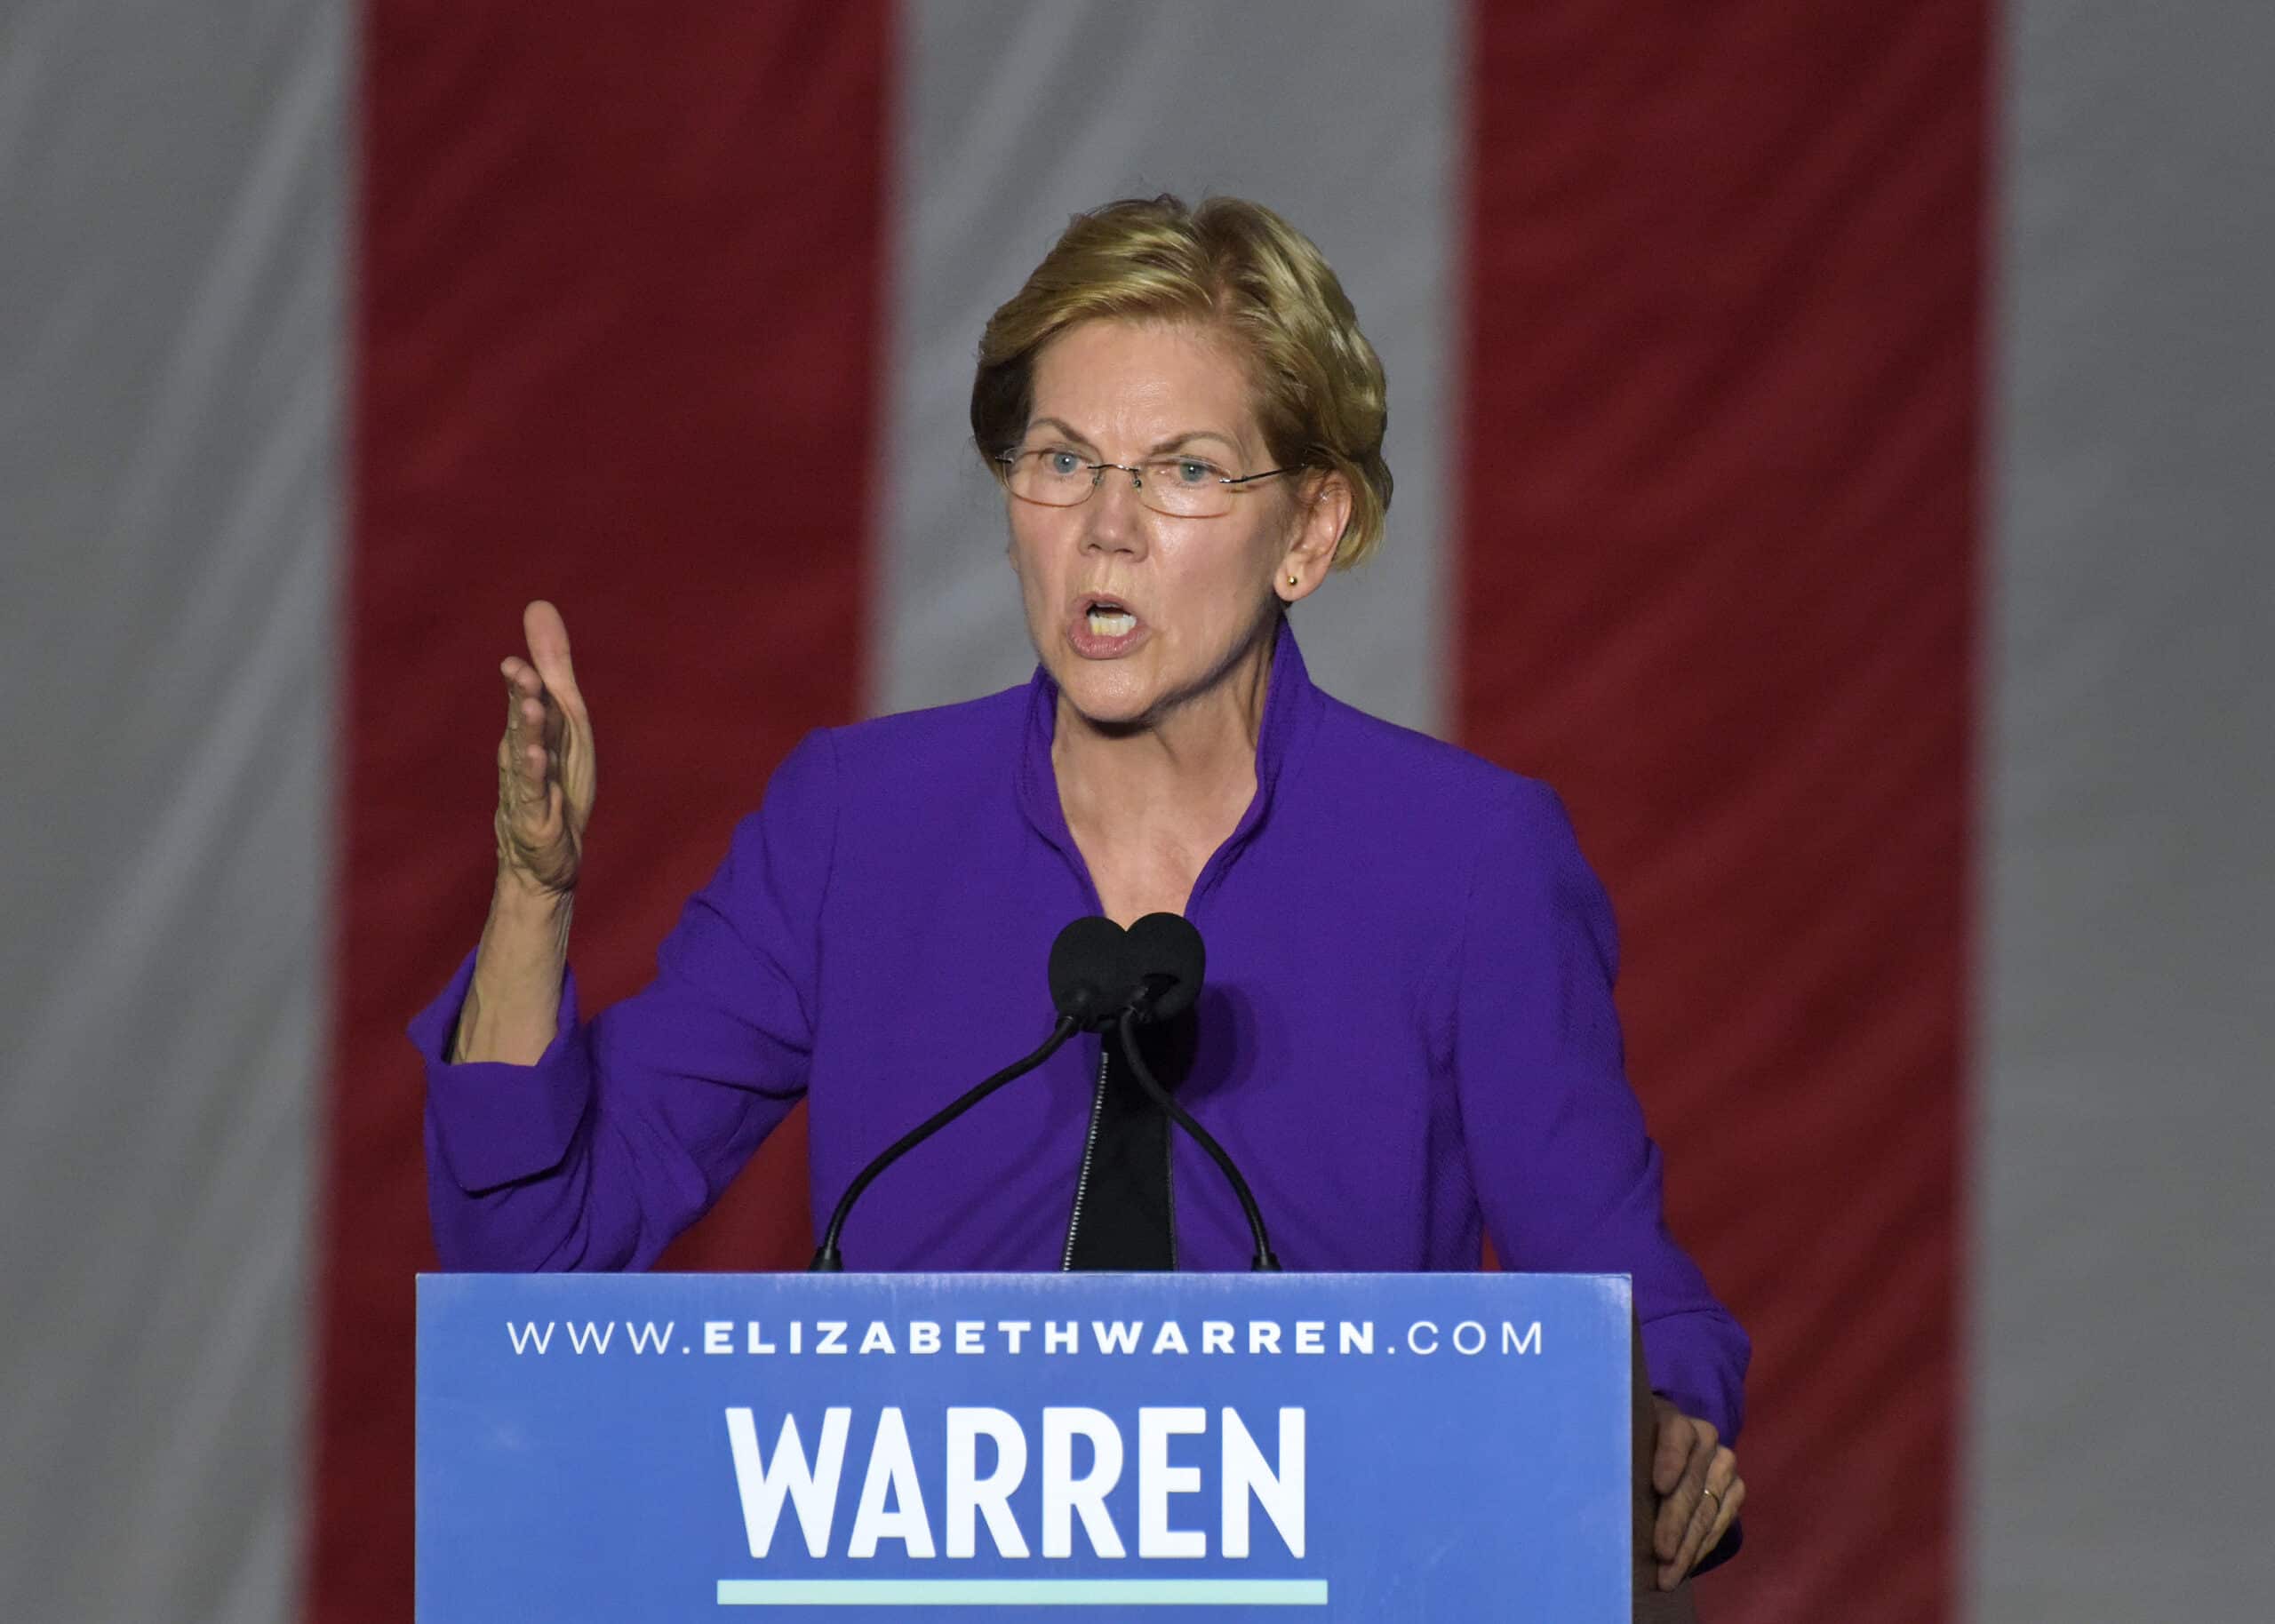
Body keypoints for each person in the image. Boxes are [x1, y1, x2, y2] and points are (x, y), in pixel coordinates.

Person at [411, 195, 1749, 1586]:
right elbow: (534, 1260)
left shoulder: (1466, 864)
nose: (1105, 530)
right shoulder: (856, 827)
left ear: (1309, 531)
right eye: (1061, 459)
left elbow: (1626, 1301)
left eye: (1181, 472)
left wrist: (1666, 1430)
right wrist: (533, 893)